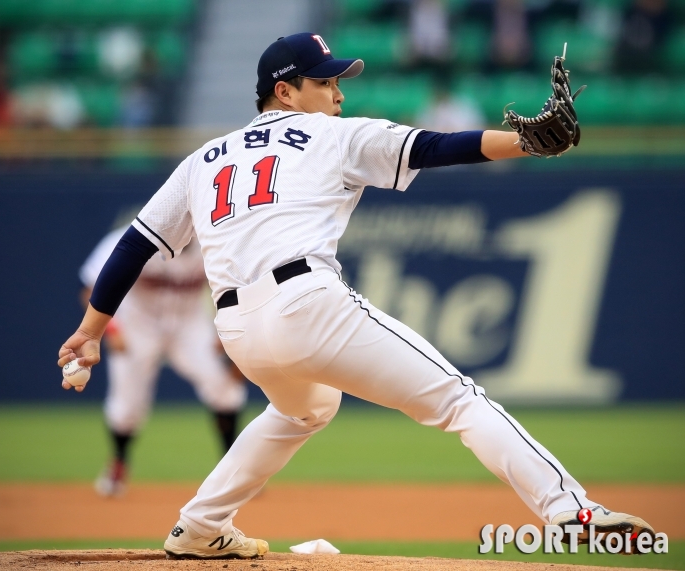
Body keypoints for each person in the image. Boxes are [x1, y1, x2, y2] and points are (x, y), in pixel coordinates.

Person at [58, 33, 654, 559]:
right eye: (325, 80)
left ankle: (201, 525)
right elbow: (439, 147)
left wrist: (88, 330)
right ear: (285, 92)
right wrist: (526, 143)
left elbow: (135, 244)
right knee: (459, 401)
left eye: (339, 81)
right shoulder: (331, 135)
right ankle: (572, 514)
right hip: (307, 303)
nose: (338, 93)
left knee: (305, 408)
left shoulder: (203, 160)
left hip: (237, 329)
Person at [79, 226, 248, 497]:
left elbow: (237, 290)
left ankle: (235, 472)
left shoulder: (215, 239)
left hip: (190, 327)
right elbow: (90, 288)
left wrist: (231, 332)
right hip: (137, 327)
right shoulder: (132, 237)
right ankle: (118, 464)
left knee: (225, 389)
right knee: (126, 408)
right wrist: (109, 329)